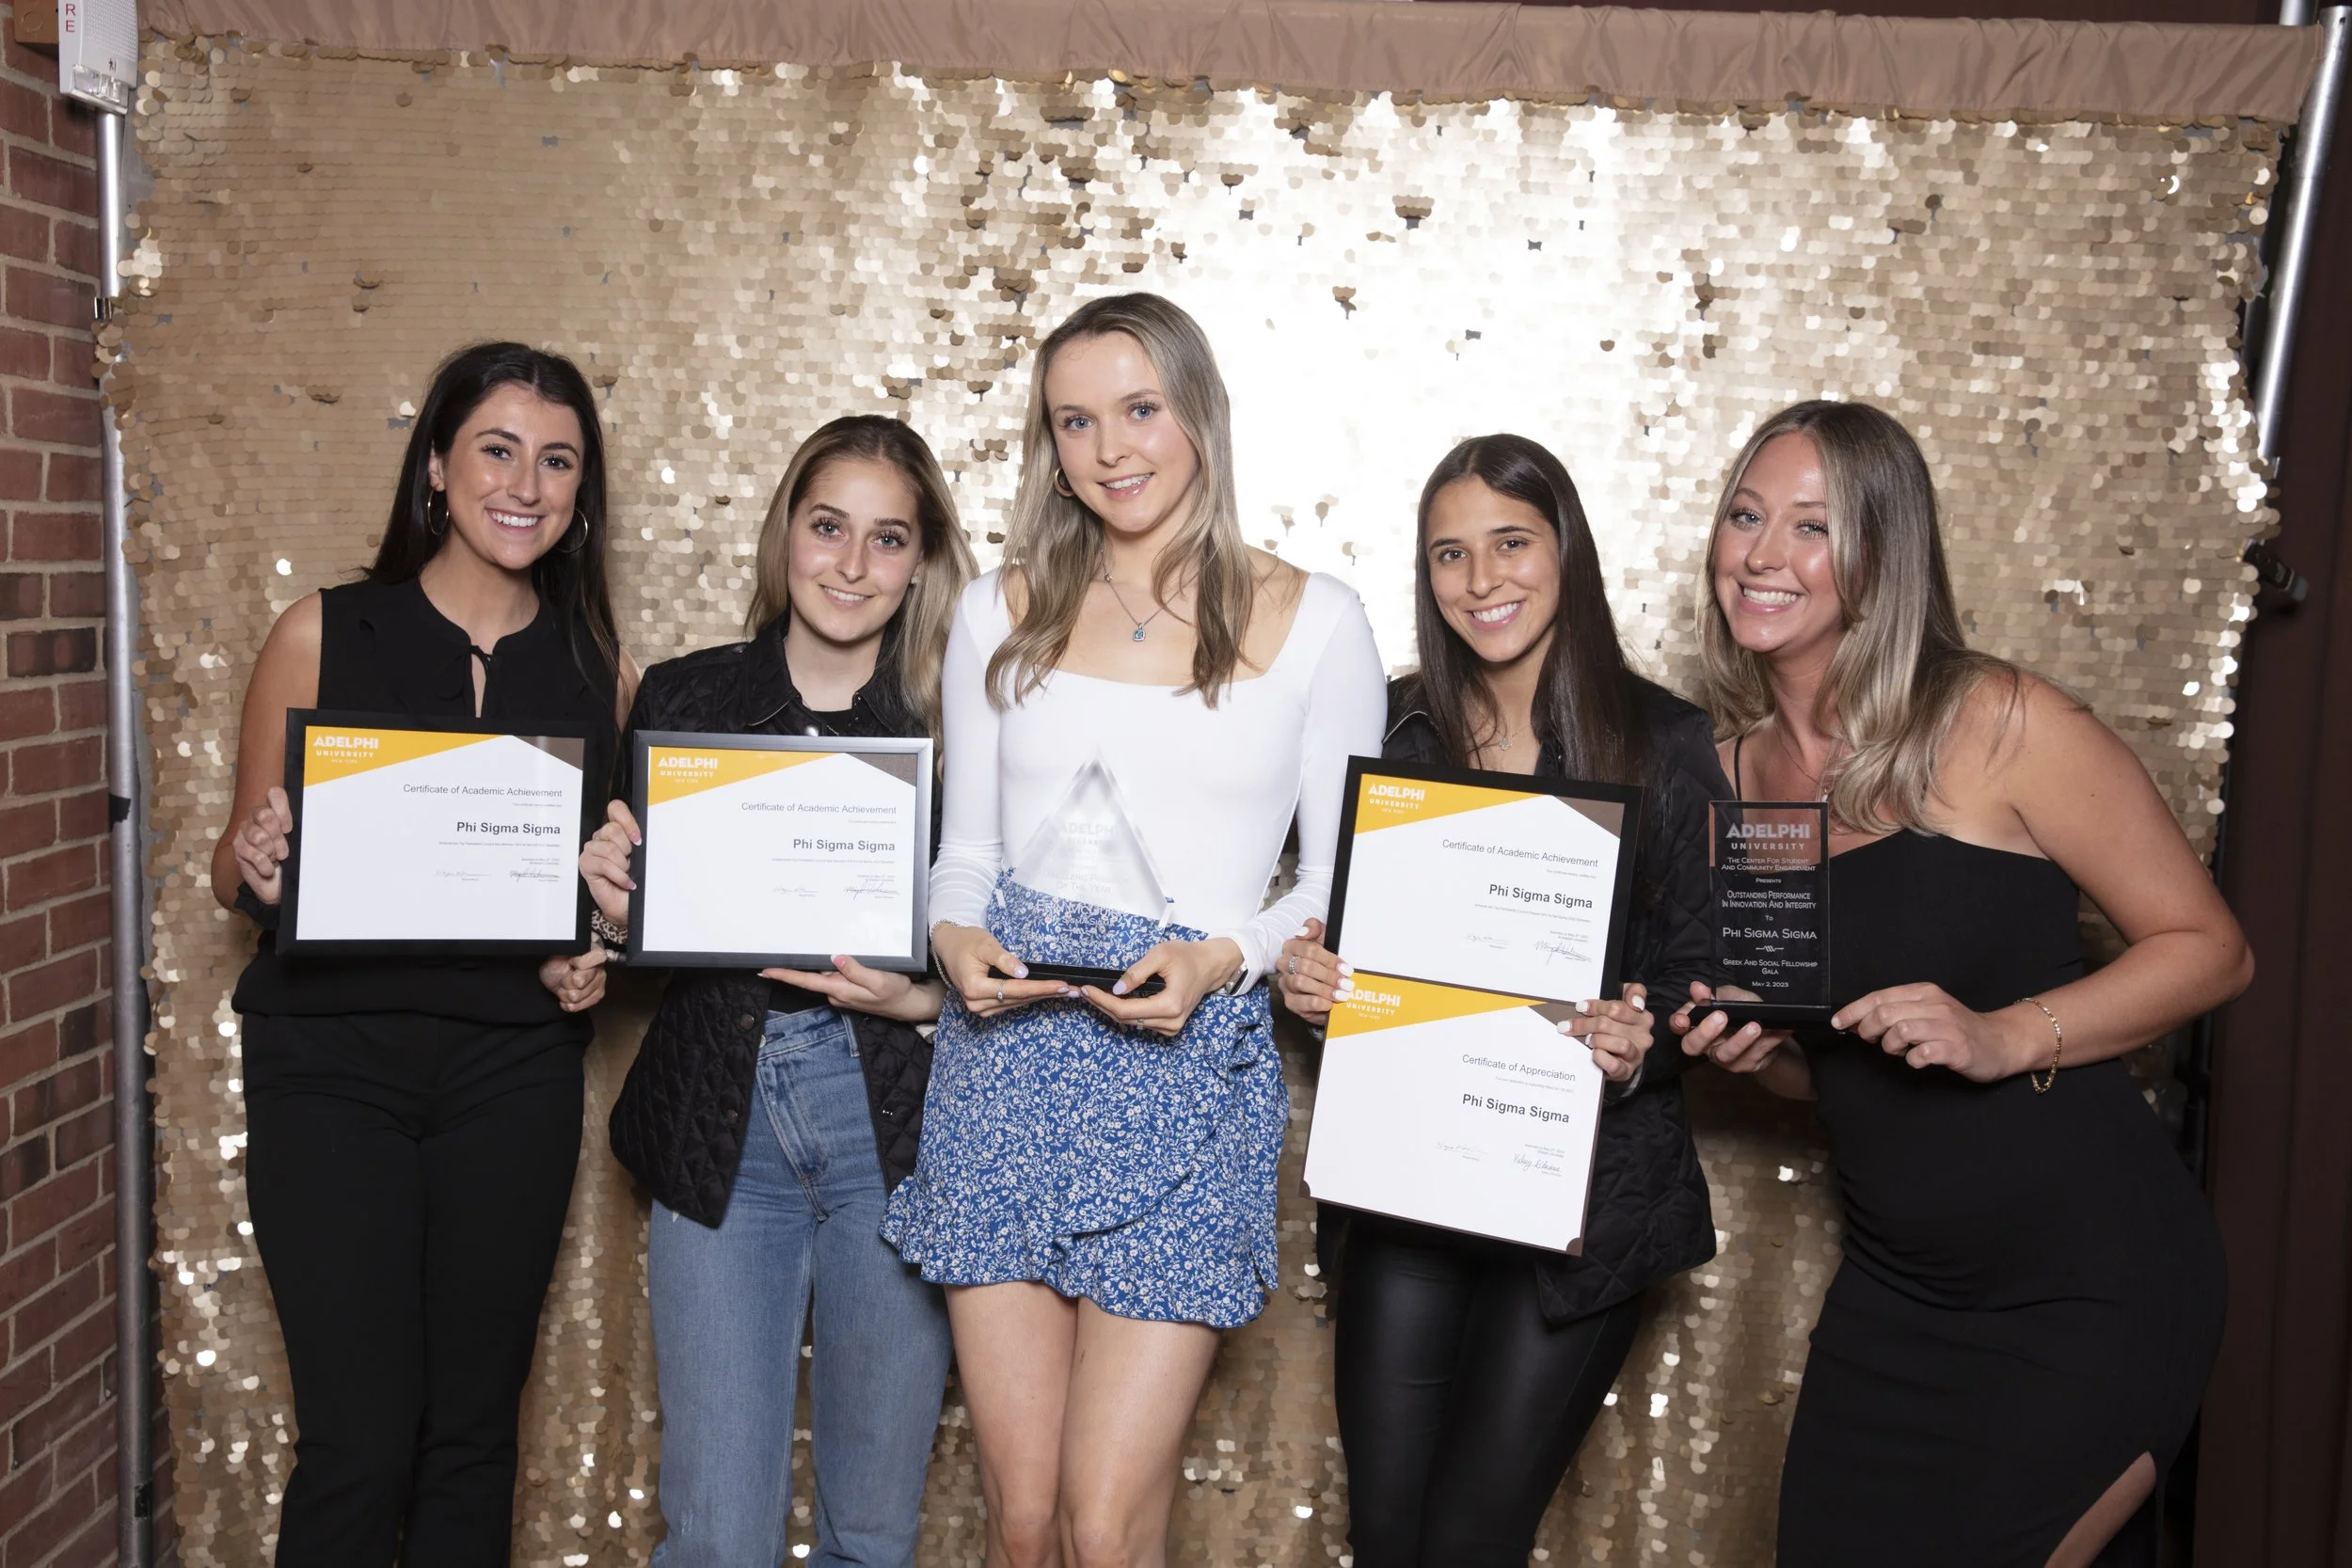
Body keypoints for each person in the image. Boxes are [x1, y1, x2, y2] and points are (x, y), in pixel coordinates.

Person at [1679, 400, 2247, 1567]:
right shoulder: (1728, 786)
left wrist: (2000, 1034)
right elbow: (1832, 1061)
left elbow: (2208, 946)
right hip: (1895, 1298)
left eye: (1812, 527)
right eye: (1746, 516)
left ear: (1882, 555)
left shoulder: (1997, 724)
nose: (1764, 555)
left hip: (2087, 1290)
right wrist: (1768, 1057)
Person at [879, 293, 1388, 1567]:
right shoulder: (1000, 609)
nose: (1112, 449)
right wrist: (953, 938)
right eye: (1076, 421)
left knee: (1107, 1525)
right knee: (1031, 1519)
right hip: (1007, 1065)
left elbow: (1339, 882)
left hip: (1186, 1067)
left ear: (1198, 415)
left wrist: (1224, 955)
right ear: (1049, 442)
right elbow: (968, 855)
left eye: (1140, 409)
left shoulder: (1320, 621)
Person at [1274, 434, 1747, 1567]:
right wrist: (1307, 977)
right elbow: (1319, 920)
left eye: (1510, 543)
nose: (1481, 580)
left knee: (1471, 1541)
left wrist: (1640, 1041)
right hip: (1407, 1190)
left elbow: (1692, 971)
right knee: (1387, 1538)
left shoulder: (1668, 742)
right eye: (1449, 554)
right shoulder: (1392, 731)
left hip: (1580, 1206)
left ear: (1565, 550)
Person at [213, 341, 628, 1567]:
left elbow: (580, 911)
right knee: (358, 1438)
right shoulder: (323, 632)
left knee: (471, 1439)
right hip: (332, 1072)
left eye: (558, 460)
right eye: (498, 448)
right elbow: (230, 872)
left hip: (512, 1077)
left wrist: (588, 955)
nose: (527, 483)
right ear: (438, 466)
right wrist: (261, 856)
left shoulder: (600, 674)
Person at [580, 415, 977, 1568]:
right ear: (785, 534)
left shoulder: (961, 727)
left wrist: (924, 1004)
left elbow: (1004, 947)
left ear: (920, 562)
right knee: (713, 1535)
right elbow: (624, 939)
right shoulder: (685, 698)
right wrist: (604, 901)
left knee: (868, 1530)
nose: (852, 564)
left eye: (888, 538)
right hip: (724, 1126)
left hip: (894, 1128)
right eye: (828, 526)